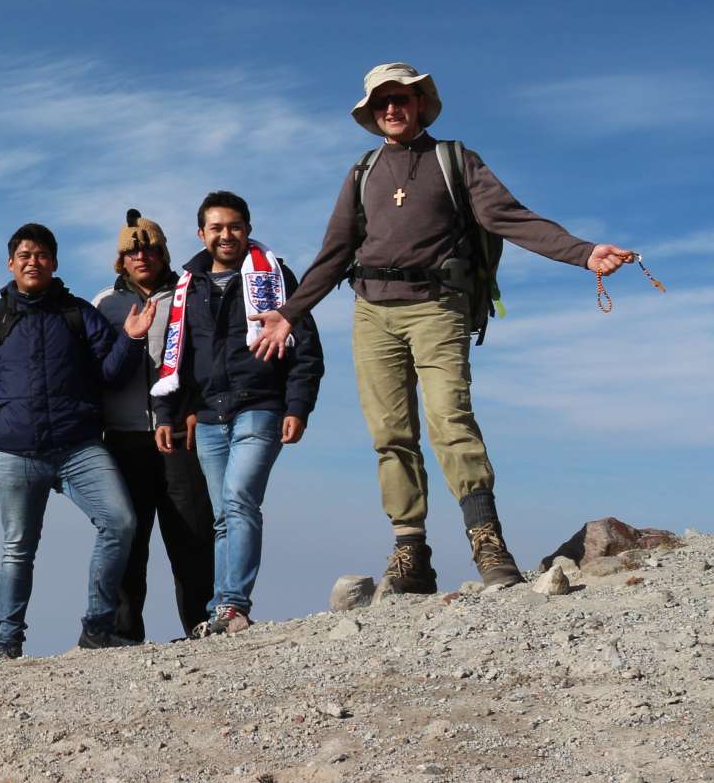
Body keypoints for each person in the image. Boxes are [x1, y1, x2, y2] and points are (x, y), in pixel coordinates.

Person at [251, 62, 637, 593]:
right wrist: (291, 311)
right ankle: (411, 552)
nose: (392, 108)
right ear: (371, 112)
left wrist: (584, 252)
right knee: (391, 435)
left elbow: (509, 217)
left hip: (438, 307)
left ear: (419, 105)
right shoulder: (362, 171)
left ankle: (486, 540)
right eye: (381, 101)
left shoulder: (455, 160)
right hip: (372, 313)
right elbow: (336, 251)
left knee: (450, 419)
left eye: (401, 98)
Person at [0, 222, 149, 656]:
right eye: (25, 255)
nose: (33, 261)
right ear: (11, 264)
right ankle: (9, 643)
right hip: (17, 451)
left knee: (120, 522)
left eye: (42, 254)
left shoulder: (78, 313)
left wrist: (132, 339)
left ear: (54, 263)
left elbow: (109, 373)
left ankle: (96, 626)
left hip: (79, 445)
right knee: (17, 549)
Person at [150, 193, 322, 636]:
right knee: (223, 514)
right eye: (217, 228)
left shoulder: (276, 276)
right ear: (202, 234)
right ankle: (223, 609)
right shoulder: (189, 285)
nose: (226, 235)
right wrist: (166, 412)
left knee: (240, 500)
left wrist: (298, 405)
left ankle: (231, 604)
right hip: (209, 415)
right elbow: (177, 355)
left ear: (247, 228)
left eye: (235, 226)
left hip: (260, 405)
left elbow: (305, 346)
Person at [90, 210, 214, 642]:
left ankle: (201, 623)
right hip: (123, 438)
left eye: (149, 248)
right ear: (120, 261)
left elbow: (206, 359)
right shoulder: (104, 303)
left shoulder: (190, 294)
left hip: (180, 435)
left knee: (191, 534)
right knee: (130, 539)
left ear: (163, 253)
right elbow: (93, 371)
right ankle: (125, 634)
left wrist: (198, 407)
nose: (141, 256)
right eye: (131, 251)